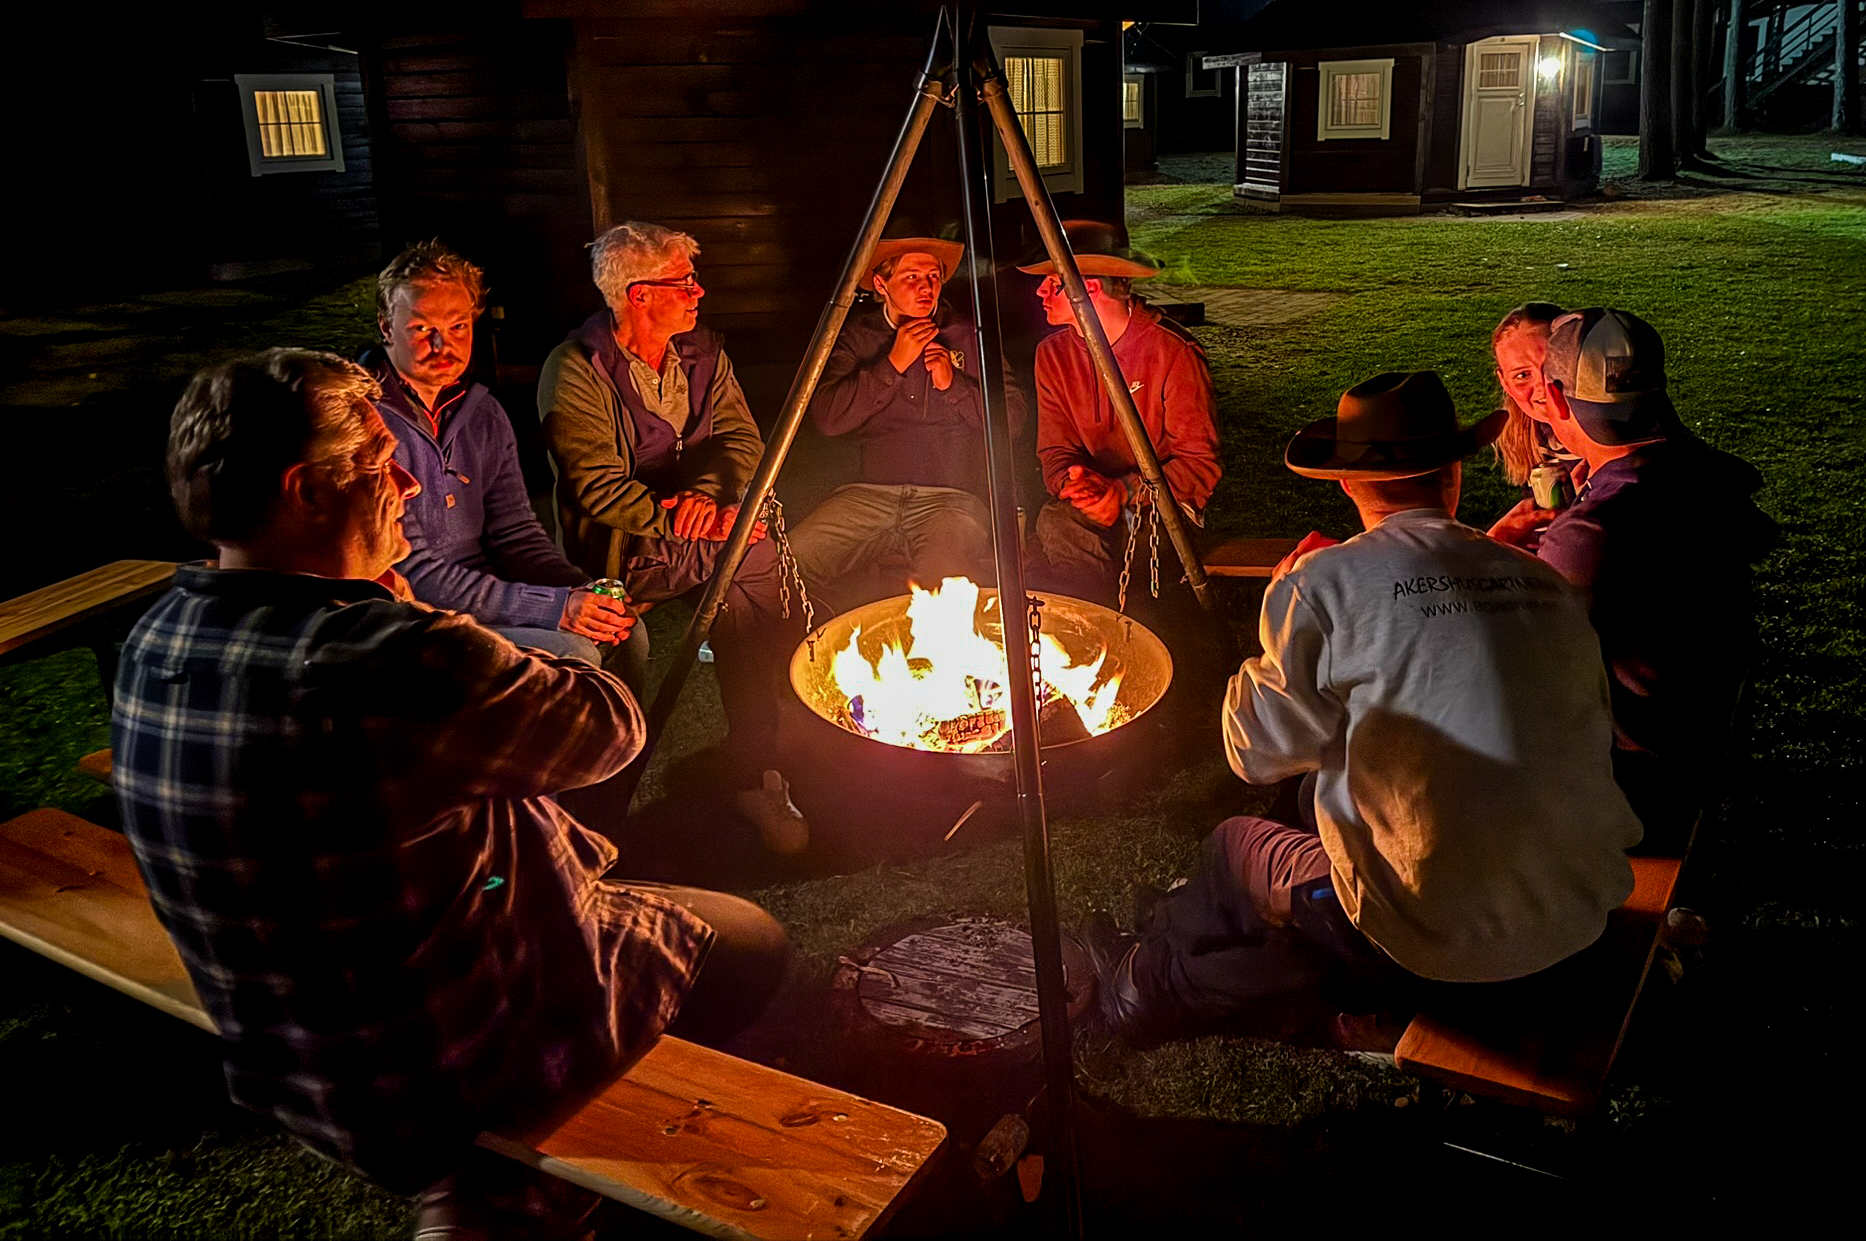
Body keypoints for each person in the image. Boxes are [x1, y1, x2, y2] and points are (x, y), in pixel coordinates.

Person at [112, 349, 790, 1234]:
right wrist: (419, 611)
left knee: (506, 839)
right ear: (305, 491)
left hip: (292, 1061)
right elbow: (610, 724)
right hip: (444, 1068)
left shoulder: (157, 631)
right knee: (749, 941)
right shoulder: (398, 654)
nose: (402, 482)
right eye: (374, 461)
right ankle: (538, 1172)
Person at [1082, 371, 1643, 1048]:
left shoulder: (1325, 582)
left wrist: (1281, 599)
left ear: (1346, 481)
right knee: (1325, 788)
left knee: (1235, 846)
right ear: (1454, 472)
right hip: (1579, 911)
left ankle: (1146, 977)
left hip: (1444, 942)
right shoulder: (1543, 580)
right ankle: (1171, 933)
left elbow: (1253, 750)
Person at [539, 221, 807, 853]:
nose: (698, 291)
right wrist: (676, 514)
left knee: (758, 597)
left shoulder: (703, 353)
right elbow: (595, 486)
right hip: (623, 549)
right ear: (637, 294)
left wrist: (711, 497)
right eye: (682, 282)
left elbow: (743, 439)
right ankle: (597, 804)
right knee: (613, 663)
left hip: (702, 530)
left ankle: (759, 768)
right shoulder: (577, 369)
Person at [1488, 308, 1776, 852]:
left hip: (1640, 777)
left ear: (1553, 395)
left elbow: (1505, 649)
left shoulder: (1600, 529)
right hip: (1706, 735)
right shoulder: (1692, 472)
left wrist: (1490, 554)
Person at [364, 239, 630, 665]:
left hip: (486, 594)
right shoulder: (365, 420)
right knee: (571, 653)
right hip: (407, 611)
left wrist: (581, 591)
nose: (441, 345)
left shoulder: (481, 413)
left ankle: (632, 735)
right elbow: (411, 569)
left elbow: (514, 532)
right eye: (420, 329)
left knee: (622, 630)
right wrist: (552, 607)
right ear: (385, 327)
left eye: (458, 327)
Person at [788, 224, 1024, 609]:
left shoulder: (968, 334)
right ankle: (821, 648)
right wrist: (893, 364)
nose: (925, 287)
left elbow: (1010, 421)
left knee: (943, 582)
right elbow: (828, 418)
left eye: (933, 277)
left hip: (951, 498)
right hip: (868, 496)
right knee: (791, 559)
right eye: (911, 277)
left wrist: (954, 387)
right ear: (881, 285)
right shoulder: (855, 337)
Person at [1019, 220, 1221, 607]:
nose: (1040, 291)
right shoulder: (1053, 355)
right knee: (1055, 528)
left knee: (1072, 536)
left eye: (1051, 281)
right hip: (1086, 504)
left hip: (1160, 506)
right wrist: (1074, 483)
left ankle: (1100, 633)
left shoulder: (1172, 352)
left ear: (1089, 289)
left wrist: (1123, 491)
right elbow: (1055, 449)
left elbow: (1198, 465)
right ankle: (1084, 632)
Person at [1490, 300, 1580, 505]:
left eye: (1553, 365)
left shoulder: (1617, 435)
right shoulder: (1533, 437)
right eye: (1522, 375)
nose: (1542, 385)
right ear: (1505, 384)